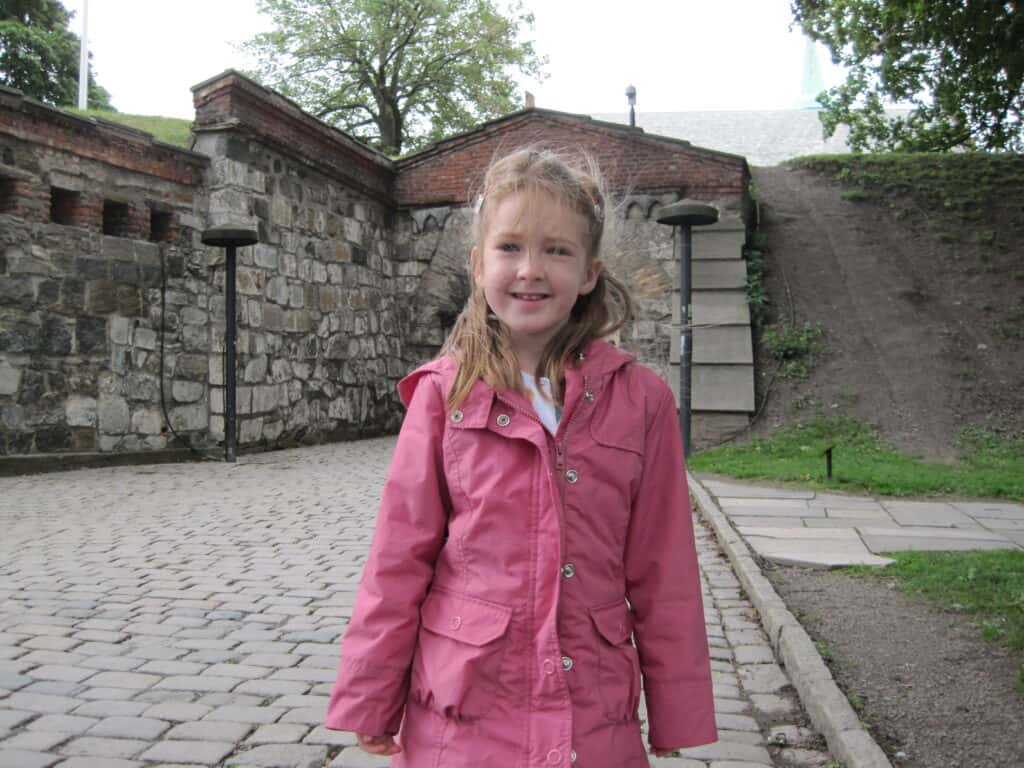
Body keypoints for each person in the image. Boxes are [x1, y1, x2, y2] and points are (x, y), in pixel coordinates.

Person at [325, 147, 717, 767]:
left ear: (589, 272)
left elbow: (664, 569)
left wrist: (675, 710)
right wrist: (370, 698)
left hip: (591, 713)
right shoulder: (442, 396)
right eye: (510, 247)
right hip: (464, 712)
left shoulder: (642, 401)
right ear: (479, 265)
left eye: (557, 250)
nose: (531, 269)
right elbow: (397, 561)